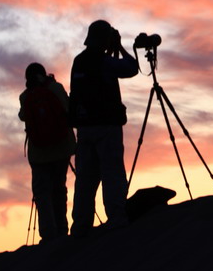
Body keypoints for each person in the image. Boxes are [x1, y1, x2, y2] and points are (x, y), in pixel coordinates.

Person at [70, 20, 138, 236]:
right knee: (112, 174)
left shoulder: (79, 61)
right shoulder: (104, 61)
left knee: (85, 181)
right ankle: (117, 219)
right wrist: (119, 48)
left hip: (84, 129)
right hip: (106, 127)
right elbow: (131, 68)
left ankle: (81, 226)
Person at [18, 62, 76, 242]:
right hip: (61, 149)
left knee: (42, 194)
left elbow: (22, 116)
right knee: (59, 189)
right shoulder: (56, 88)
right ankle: (62, 230)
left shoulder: (25, 96)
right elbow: (68, 109)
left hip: (39, 154)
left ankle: (48, 234)